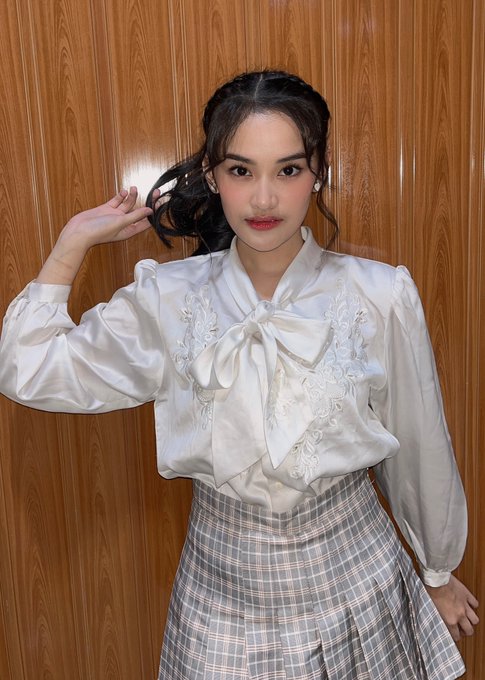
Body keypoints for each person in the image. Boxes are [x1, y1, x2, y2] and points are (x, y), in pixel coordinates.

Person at [0, 70, 479, 679]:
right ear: (212, 175)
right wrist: (71, 245)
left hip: (360, 585)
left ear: (319, 171)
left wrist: (436, 569)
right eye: (241, 170)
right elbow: (30, 370)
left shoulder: (380, 295)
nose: (264, 200)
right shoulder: (168, 299)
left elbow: (419, 442)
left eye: (288, 169)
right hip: (220, 599)